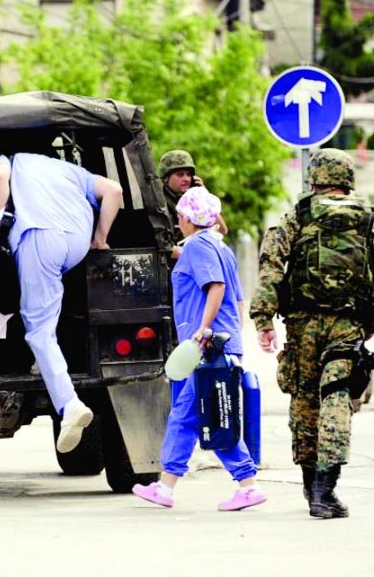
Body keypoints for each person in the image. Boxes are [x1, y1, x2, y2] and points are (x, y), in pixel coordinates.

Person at [250, 148, 374, 519]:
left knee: (304, 402)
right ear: (347, 179)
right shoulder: (370, 220)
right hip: (346, 324)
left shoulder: (296, 215)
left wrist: (264, 319)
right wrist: (366, 327)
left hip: (300, 325)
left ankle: (309, 486)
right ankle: (325, 491)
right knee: (336, 401)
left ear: (313, 178)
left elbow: (270, 266)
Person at [132, 187, 265, 511]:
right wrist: (231, 336)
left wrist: (204, 330)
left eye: (180, 215)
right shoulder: (222, 248)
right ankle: (244, 485)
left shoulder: (198, 248)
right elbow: (237, 299)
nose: (178, 221)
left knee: (187, 414)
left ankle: (167, 487)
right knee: (205, 415)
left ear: (190, 219)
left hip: (208, 347)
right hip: (222, 345)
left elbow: (216, 287)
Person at [0, 152, 123, 453]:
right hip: (77, 242)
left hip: (39, 236)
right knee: (48, 305)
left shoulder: (10, 159)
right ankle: (44, 360)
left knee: (38, 330)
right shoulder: (72, 171)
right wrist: (100, 238)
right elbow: (115, 191)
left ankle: (69, 405)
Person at [158, 149, 228, 259]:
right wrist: (195, 253)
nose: (186, 179)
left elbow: (221, 230)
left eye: (189, 175)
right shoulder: (158, 203)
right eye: (180, 175)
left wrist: (204, 196)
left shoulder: (195, 201)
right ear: (166, 178)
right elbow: (163, 248)